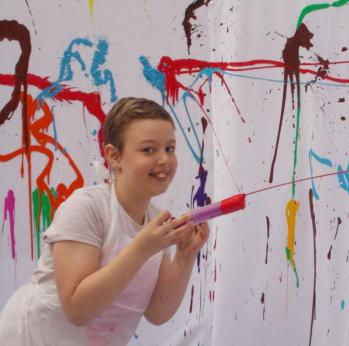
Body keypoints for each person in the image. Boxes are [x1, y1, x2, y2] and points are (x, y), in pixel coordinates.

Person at [0, 97, 209, 345]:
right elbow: (78, 310)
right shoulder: (86, 208)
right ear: (114, 156)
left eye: (170, 148)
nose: (164, 159)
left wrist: (185, 256)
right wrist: (142, 248)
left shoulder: (154, 221)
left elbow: (157, 313)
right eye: (148, 149)